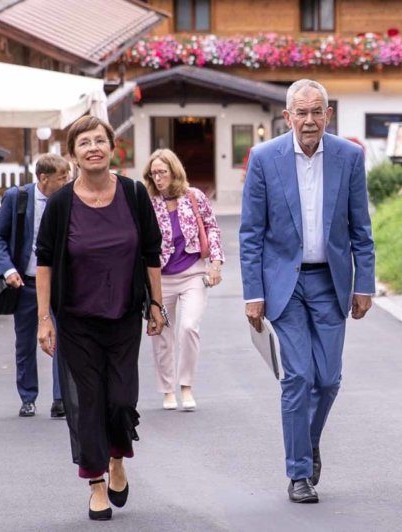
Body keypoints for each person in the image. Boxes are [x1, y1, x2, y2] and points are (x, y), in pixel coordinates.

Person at [239, 79, 375, 503]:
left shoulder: (349, 157)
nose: (310, 120)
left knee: (329, 379)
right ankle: (299, 473)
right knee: (298, 376)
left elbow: (361, 229)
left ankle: (307, 441)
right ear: (288, 116)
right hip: (284, 284)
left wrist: (364, 284)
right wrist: (253, 292)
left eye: (317, 112)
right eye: (302, 112)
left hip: (330, 281)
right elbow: (250, 234)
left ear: (328, 115)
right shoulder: (264, 158)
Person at [35, 115, 165, 520]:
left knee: (122, 399)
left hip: (124, 316)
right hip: (77, 320)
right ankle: (95, 483)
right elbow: (43, 262)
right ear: (73, 154)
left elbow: (151, 252)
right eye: (84, 143)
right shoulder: (60, 204)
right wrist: (44, 317)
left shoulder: (132, 193)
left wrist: (156, 305)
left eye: (99, 141)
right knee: (86, 402)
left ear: (112, 148)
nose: (93, 148)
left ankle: (116, 459)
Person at [143, 148, 225, 411]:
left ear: (174, 172)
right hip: (160, 278)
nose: (158, 178)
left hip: (193, 273)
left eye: (162, 172)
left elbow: (212, 227)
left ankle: (186, 385)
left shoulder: (194, 197)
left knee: (188, 327)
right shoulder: (147, 201)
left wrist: (216, 262)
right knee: (162, 335)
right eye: (153, 173)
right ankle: (167, 390)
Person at [0, 154, 69, 418]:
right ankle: (28, 397)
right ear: (44, 178)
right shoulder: (17, 198)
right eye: (62, 177)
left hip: (58, 283)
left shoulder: (68, 199)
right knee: (25, 343)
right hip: (25, 283)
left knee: (63, 339)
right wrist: (8, 270)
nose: (67, 182)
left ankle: (60, 398)